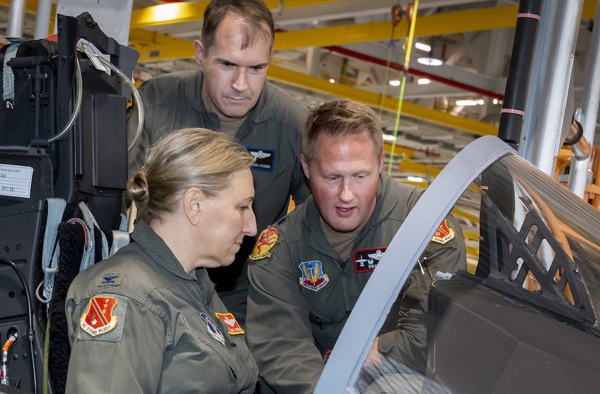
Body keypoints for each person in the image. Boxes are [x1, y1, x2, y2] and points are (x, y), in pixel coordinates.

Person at [246, 100, 466, 393]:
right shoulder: (280, 248)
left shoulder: (425, 225)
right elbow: (282, 348)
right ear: (306, 168)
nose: (346, 195)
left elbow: (431, 333)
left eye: (360, 176)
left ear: (381, 163)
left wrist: (372, 355)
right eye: (332, 177)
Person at [127, 0, 310, 325]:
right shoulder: (155, 103)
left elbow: (314, 224)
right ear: (200, 54)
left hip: (246, 304)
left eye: (256, 68)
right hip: (155, 293)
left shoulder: (293, 126)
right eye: (227, 64)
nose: (242, 85)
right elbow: (119, 200)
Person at [66, 128, 259, 393]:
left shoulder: (192, 283)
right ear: (194, 205)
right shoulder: (130, 298)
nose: (252, 227)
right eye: (242, 207)